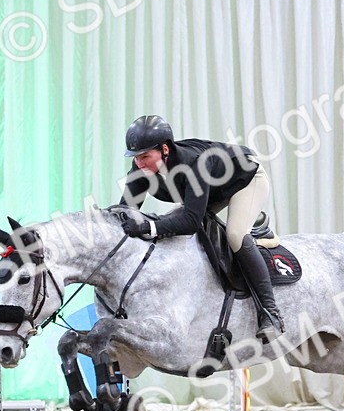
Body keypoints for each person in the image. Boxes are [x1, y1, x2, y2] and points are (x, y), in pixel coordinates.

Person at [116, 115, 285, 341]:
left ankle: (271, 313)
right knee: (171, 223)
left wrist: (148, 226)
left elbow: (191, 222)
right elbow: (126, 210)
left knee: (235, 234)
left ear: (165, 149)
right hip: (212, 188)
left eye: (145, 156)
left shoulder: (194, 163)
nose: (140, 164)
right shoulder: (141, 167)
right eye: (135, 157)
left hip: (246, 180)